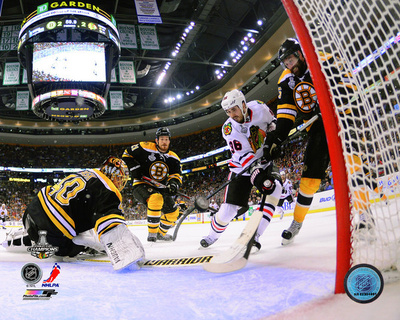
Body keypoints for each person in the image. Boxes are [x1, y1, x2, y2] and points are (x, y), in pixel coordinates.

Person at [264, 38, 373, 245]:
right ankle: (296, 223)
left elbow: (350, 87)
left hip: (344, 121)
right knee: (308, 181)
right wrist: (276, 139)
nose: (290, 65)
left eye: (291, 59)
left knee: (354, 168)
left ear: (301, 53)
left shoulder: (326, 60)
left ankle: (366, 217)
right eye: (286, 62)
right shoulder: (285, 81)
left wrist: (331, 101)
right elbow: (286, 115)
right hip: (318, 130)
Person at [3, 156, 145, 271]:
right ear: (115, 176)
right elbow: (110, 224)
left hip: (33, 210)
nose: (120, 183)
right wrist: (129, 253)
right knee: (88, 238)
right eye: (120, 179)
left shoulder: (87, 173)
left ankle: (27, 235)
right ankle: (78, 244)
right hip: (55, 233)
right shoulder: (107, 188)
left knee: (77, 217)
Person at [200, 89, 282, 252]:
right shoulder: (229, 128)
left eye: (234, 109)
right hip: (242, 168)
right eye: (228, 112)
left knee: (275, 190)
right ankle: (212, 235)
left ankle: (255, 236)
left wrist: (274, 140)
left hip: (265, 162)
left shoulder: (260, 107)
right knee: (228, 211)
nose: (231, 114)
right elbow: (244, 155)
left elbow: (273, 123)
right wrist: (255, 170)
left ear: (243, 105)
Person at [122, 127, 182, 242]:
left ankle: (160, 234)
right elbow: (126, 154)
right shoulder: (145, 147)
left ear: (169, 141)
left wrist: (173, 184)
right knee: (156, 198)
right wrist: (134, 168)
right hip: (141, 184)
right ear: (156, 140)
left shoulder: (174, 157)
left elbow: (176, 175)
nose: (164, 141)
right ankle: (152, 236)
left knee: (173, 213)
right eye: (162, 139)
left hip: (160, 187)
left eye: (166, 139)